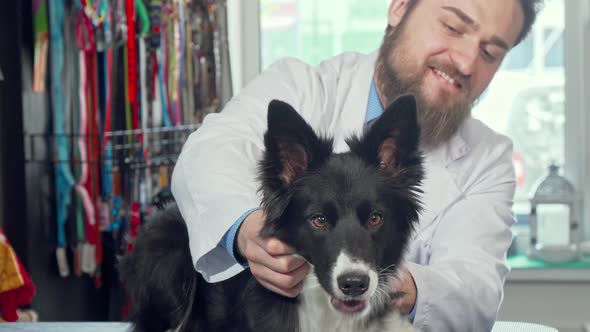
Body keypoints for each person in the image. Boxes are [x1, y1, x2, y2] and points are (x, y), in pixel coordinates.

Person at [171, 0, 543, 330]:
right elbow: (208, 153)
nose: (465, 61)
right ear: (399, 7)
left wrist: (381, 283)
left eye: (490, 53)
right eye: (453, 26)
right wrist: (249, 233)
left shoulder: (488, 158)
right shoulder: (302, 85)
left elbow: (475, 293)